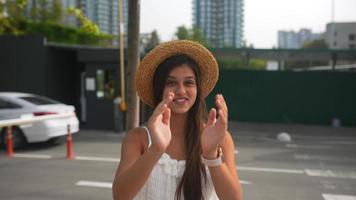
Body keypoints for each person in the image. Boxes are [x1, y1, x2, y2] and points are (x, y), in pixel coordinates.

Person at [112, 40, 242, 200]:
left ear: (198, 89)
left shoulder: (220, 138)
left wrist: (210, 155)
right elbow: (120, 195)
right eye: (171, 83)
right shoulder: (137, 138)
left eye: (189, 83)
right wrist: (155, 150)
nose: (181, 91)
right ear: (159, 88)